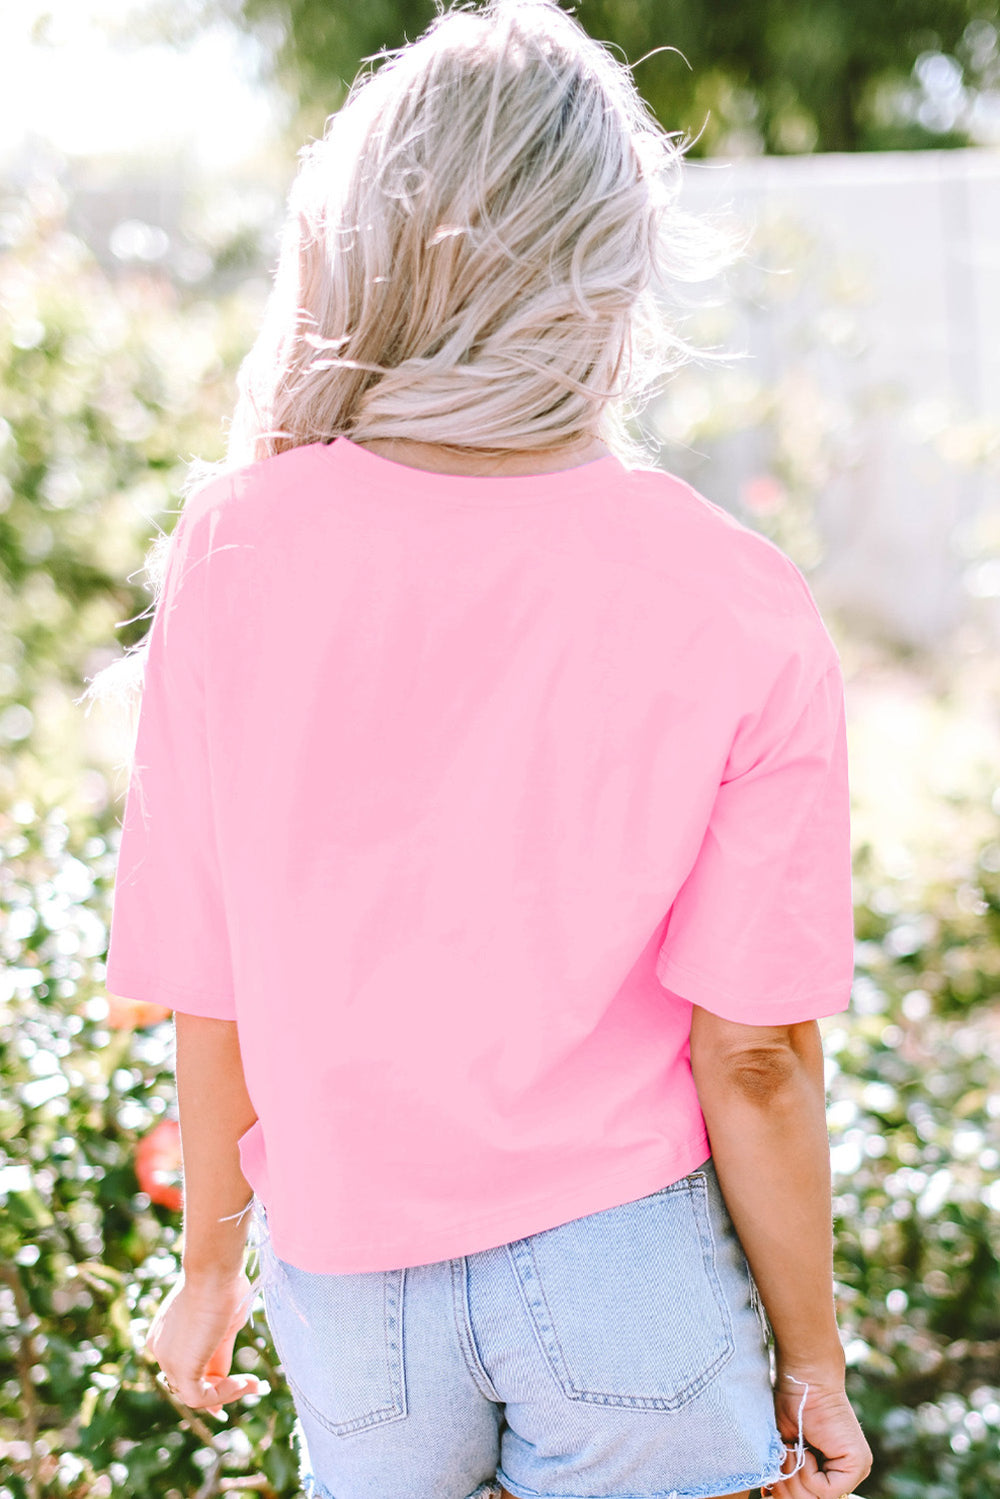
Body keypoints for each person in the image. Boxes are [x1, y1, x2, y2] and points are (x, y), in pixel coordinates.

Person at [98, 2, 873, 1496]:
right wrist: (814, 1361)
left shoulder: (239, 541)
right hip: (626, 1275)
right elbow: (758, 1053)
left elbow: (210, 973)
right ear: (612, 257)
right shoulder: (733, 591)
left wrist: (209, 1264)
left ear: (371, 239)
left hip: (352, 1294)